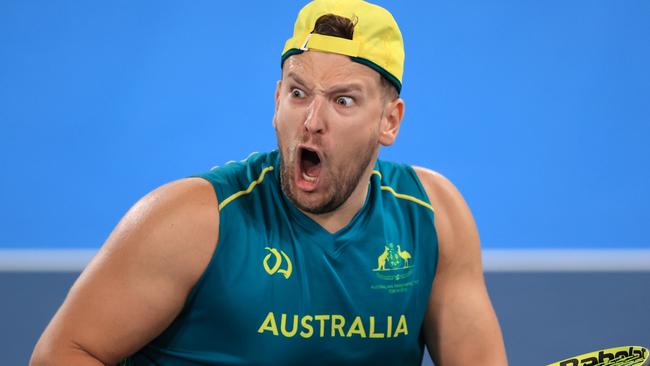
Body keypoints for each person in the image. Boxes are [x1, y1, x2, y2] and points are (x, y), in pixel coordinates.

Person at [31, 0, 507, 365]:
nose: (312, 120)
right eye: (299, 93)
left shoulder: (432, 216)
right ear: (278, 98)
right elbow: (62, 354)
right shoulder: (193, 222)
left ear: (389, 121)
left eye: (343, 101)